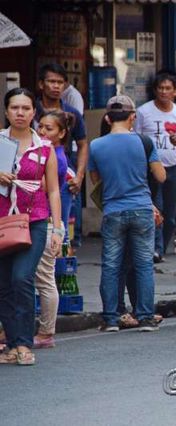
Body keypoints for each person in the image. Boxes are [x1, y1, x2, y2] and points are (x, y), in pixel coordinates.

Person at [89, 95, 167, 332]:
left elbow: (95, 180)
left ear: (107, 118)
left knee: (111, 266)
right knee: (144, 265)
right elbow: (161, 176)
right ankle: (145, 317)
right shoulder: (144, 142)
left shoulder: (96, 145)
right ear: (132, 117)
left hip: (113, 210)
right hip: (142, 209)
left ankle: (111, 319)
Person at [0, 88, 63, 365]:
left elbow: (53, 191)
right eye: (15, 108)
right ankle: (11, 345)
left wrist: (58, 229)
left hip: (34, 221)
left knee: (22, 278)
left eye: (26, 108)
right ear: (6, 112)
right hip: (2, 221)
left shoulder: (44, 147)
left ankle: (25, 344)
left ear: (33, 113)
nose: (20, 113)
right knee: (3, 284)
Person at [134, 73, 176, 263]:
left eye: (168, 88)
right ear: (155, 90)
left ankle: (162, 247)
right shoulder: (143, 111)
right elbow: (137, 139)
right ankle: (155, 250)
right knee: (155, 210)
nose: (164, 92)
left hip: (174, 167)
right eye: (161, 88)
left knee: (171, 215)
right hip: (151, 169)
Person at [33, 110, 75, 348]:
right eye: (42, 126)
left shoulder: (54, 157)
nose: (43, 132)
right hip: (44, 221)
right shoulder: (47, 152)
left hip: (48, 221)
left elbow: (43, 188)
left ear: (61, 133)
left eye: (49, 128)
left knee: (44, 278)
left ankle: (47, 331)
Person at [35, 64, 87, 243]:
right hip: (33, 170)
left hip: (63, 170)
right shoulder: (29, 111)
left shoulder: (72, 114)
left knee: (63, 223)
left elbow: (82, 144)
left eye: (60, 82)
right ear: (41, 84)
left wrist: (79, 175)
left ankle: (66, 255)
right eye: (51, 81)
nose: (56, 86)